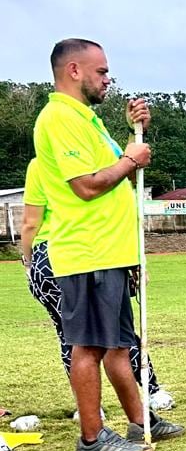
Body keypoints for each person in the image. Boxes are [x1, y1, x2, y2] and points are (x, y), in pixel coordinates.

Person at [32, 38, 184, 451]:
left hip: (112, 252)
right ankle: (92, 438)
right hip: (88, 252)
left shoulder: (85, 119)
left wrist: (134, 138)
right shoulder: (58, 118)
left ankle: (141, 422)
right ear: (74, 71)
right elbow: (88, 185)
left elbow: (112, 171)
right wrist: (132, 160)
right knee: (90, 346)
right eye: (101, 72)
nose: (107, 79)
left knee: (119, 345)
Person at [21, 158, 175, 412]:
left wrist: (28, 263)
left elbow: (30, 222)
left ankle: (90, 409)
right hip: (93, 250)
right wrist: (135, 260)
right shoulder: (98, 160)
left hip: (49, 256)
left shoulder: (40, 164)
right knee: (117, 332)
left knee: (70, 337)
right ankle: (152, 391)